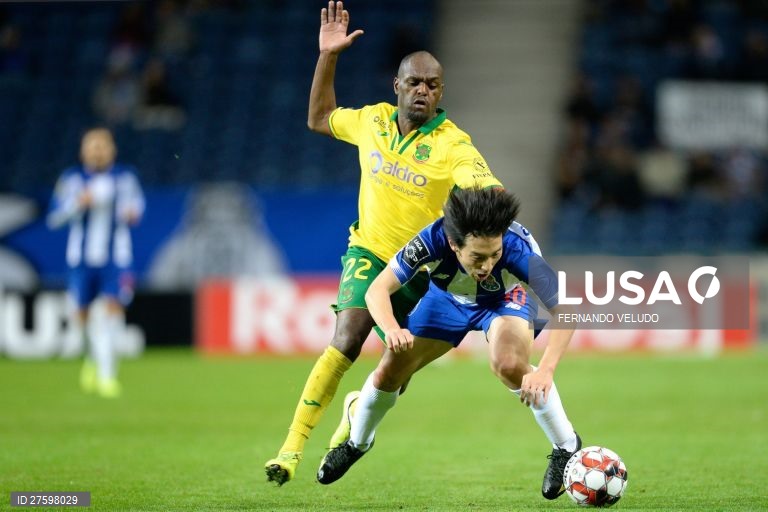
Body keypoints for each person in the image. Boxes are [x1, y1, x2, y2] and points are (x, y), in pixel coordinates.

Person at [264, 1, 503, 485]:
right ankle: (290, 449)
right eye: (414, 82)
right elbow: (319, 118)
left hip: (423, 270)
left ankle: (357, 419)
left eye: (432, 85)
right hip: (370, 252)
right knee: (347, 337)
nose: (423, 91)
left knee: (397, 371)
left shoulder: (454, 144)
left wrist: (490, 209)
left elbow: (486, 186)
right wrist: (328, 56)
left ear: (441, 93)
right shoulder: (371, 121)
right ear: (396, 86)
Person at [315, 187, 581, 501]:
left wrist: (546, 370)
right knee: (388, 375)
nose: (488, 265)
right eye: (478, 257)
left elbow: (566, 308)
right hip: (446, 299)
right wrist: (391, 329)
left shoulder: (516, 249)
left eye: (494, 254)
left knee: (509, 365)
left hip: (505, 300)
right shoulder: (430, 240)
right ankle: (357, 443)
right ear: (453, 244)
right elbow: (377, 290)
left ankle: (566, 445)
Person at [47, 128, 145, 398]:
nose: (98, 151)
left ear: (112, 149)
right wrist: (78, 204)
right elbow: (54, 218)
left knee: (113, 310)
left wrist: (132, 214)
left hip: (116, 258)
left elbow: (138, 208)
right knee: (82, 316)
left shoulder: (125, 178)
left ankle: (107, 376)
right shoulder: (72, 179)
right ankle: (94, 357)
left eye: (103, 145)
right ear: (83, 151)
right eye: (93, 146)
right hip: (81, 259)